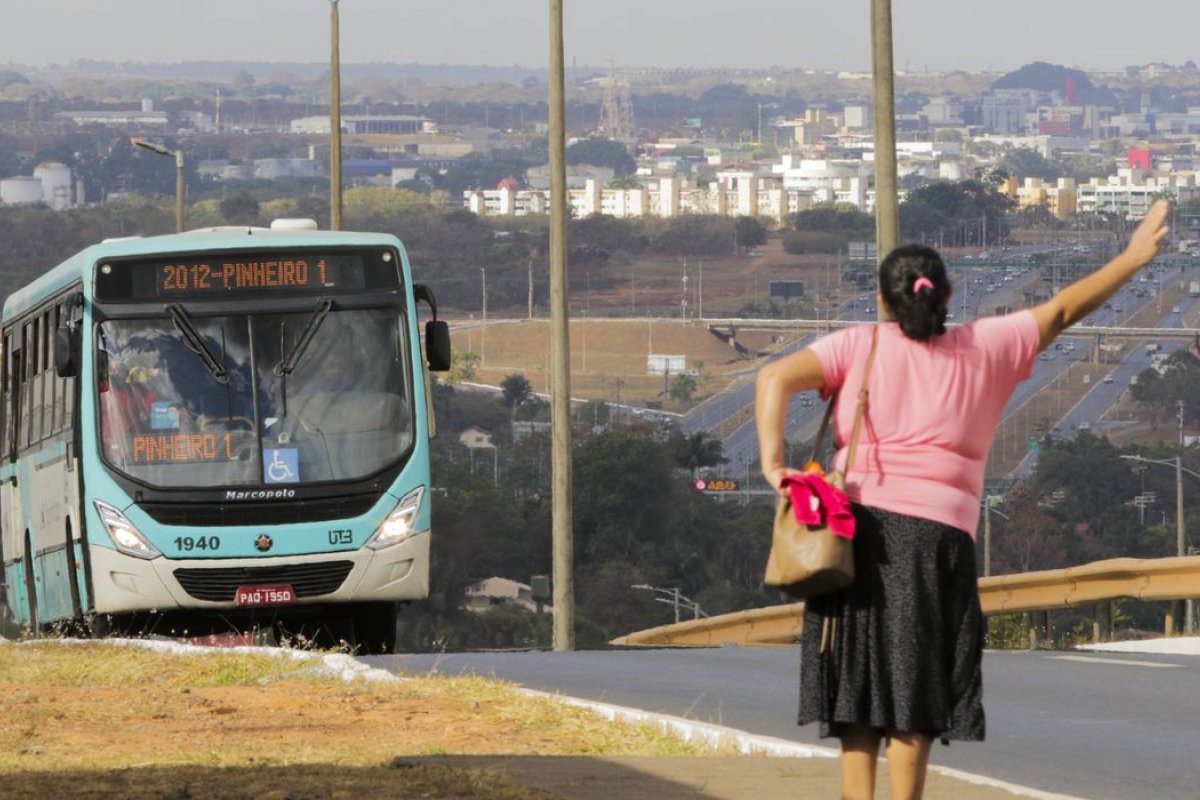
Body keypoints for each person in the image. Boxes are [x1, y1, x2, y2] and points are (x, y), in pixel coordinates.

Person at [754, 200, 1170, 800]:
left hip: (854, 531)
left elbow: (772, 378)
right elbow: (1063, 309)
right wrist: (1130, 259)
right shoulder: (988, 345)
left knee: (857, 676)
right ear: (947, 294)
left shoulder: (858, 345)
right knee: (917, 680)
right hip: (938, 539)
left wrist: (775, 468)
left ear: (883, 302)